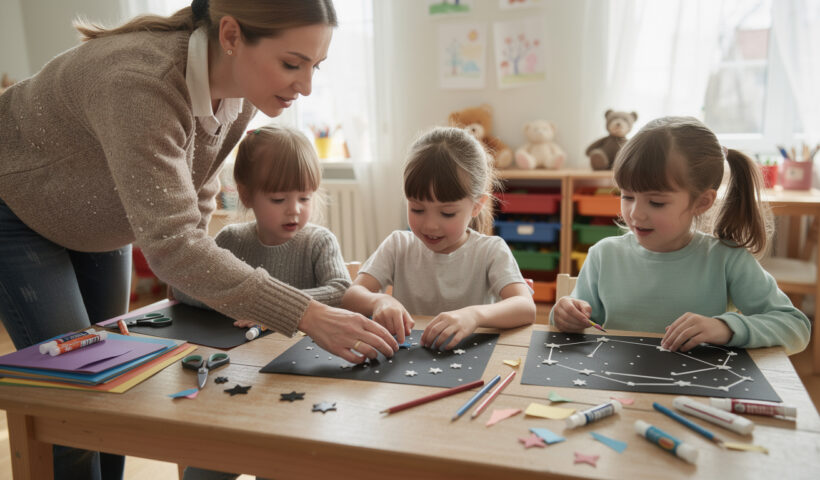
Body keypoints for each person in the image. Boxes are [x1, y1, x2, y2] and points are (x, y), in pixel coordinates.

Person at [0, 1, 397, 478]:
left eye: (315, 66)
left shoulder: (243, 92)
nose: (306, 86)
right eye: (292, 64)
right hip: (16, 206)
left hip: (98, 216)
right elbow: (174, 245)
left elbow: (198, 190)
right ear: (230, 35)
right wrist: (306, 314)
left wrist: (207, 282)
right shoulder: (140, 83)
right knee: (74, 406)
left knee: (113, 393)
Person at [551, 116, 810, 355]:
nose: (636, 214)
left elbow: (795, 327)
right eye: (627, 196)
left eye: (656, 203)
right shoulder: (603, 255)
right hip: (616, 393)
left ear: (702, 202)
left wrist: (725, 328)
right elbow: (576, 318)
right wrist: (564, 315)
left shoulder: (726, 259)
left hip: (699, 394)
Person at [342, 126, 536, 350]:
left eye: (447, 213)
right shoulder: (398, 245)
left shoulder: (490, 250)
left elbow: (525, 307)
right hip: (406, 363)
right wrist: (379, 300)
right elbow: (351, 297)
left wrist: (474, 315)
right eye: (417, 209)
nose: (430, 225)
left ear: (477, 205)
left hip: (471, 362)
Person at [173, 124, 351, 318]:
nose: (294, 209)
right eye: (278, 200)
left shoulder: (319, 242)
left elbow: (342, 292)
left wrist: (270, 306)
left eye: (305, 198)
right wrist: (242, 304)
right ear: (246, 195)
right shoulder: (231, 240)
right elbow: (185, 288)